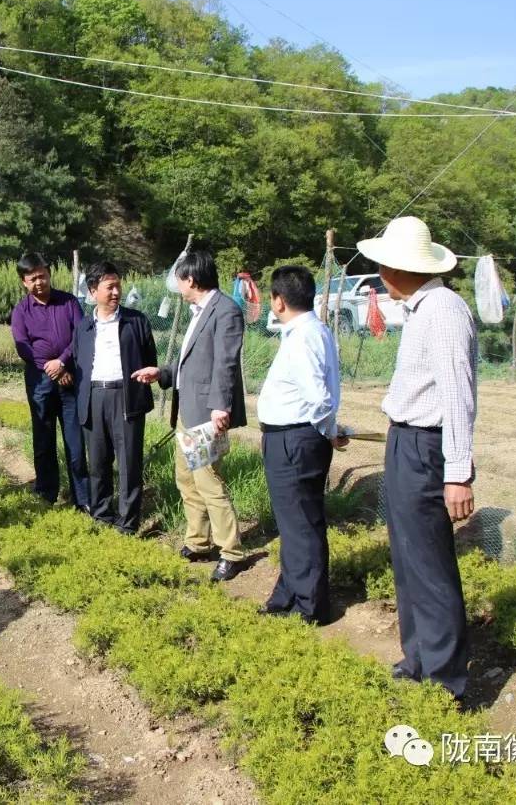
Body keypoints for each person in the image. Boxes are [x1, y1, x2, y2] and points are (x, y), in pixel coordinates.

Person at [356, 215, 476, 704]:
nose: (380, 271)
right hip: (405, 441)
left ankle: (446, 680)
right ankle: (419, 659)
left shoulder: (444, 309)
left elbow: (457, 393)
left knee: (429, 562)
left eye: (384, 262)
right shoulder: (422, 308)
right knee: (407, 556)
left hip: (428, 446)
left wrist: (458, 473)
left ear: (398, 267)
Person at [133, 250, 247, 582]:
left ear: (191, 280)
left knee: (209, 481)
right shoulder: (200, 310)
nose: (177, 286)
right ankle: (198, 542)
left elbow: (225, 364)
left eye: (179, 280)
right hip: (188, 410)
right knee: (187, 479)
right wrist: (163, 372)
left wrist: (220, 407)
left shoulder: (225, 311)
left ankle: (231, 551)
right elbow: (192, 364)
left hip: (207, 414)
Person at [255, 266, 344, 624]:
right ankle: (289, 593)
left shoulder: (306, 336)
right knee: (293, 522)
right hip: (290, 437)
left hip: (296, 438)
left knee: (302, 523)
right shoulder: (306, 331)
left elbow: (318, 398)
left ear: (278, 300)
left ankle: (310, 606)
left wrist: (330, 429)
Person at [72, 262, 157, 534]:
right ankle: (101, 515)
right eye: (110, 287)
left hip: (126, 395)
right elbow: (77, 362)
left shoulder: (136, 321)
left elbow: (149, 359)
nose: (116, 291)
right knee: (97, 462)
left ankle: (129, 523)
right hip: (94, 396)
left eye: (118, 285)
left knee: (129, 462)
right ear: (93, 291)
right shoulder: (83, 327)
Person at [10, 252, 89, 511]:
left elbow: (80, 335)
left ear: (49, 273)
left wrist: (63, 362)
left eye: (42, 275)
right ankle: (46, 493)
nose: (39, 282)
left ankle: (82, 499)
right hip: (40, 382)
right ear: (24, 282)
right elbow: (24, 349)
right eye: (33, 279)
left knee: (75, 442)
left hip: (70, 380)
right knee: (43, 439)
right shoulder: (21, 311)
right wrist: (51, 368)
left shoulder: (68, 302)